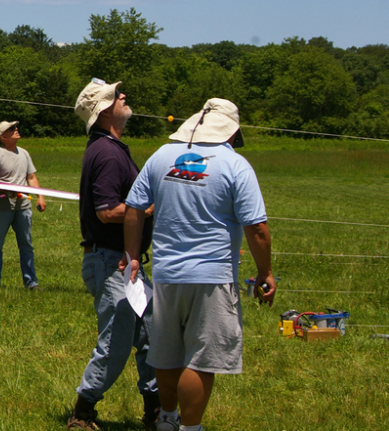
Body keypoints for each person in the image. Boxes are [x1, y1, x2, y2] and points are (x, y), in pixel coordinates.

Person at [121, 98, 275, 431]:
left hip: (166, 275)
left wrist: (133, 255)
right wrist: (265, 273)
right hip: (212, 276)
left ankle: (166, 418)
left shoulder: (161, 156)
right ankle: (191, 428)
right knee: (201, 359)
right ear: (231, 133)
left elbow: (134, 207)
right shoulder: (235, 165)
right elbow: (258, 229)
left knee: (166, 354)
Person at [67, 79, 159, 430]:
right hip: (110, 261)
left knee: (150, 333)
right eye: (116, 96)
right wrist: (149, 210)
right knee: (116, 342)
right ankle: (83, 411)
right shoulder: (106, 152)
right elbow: (107, 210)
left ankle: (156, 411)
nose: (124, 97)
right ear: (104, 111)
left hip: (123, 260)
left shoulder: (112, 148)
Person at [0, 120, 46, 289]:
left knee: (26, 244)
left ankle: (31, 282)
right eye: (11, 129)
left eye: (16, 127)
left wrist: (40, 196)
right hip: (2, 206)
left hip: (23, 206)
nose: (16, 129)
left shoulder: (24, 154)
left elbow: (31, 177)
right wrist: (6, 189)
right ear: (3, 137)